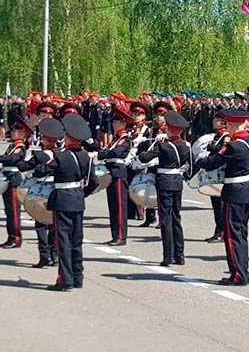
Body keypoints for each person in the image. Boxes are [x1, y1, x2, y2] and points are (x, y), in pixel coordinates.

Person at [197, 107, 249, 286]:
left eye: (227, 123)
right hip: (246, 189)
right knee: (241, 233)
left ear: (234, 124)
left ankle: (238, 274)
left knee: (232, 234)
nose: (225, 125)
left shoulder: (234, 146)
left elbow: (211, 163)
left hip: (233, 191)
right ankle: (242, 270)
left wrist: (198, 159)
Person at [44, 114, 92, 291]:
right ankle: (78, 277)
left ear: (69, 137)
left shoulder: (61, 157)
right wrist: (80, 194)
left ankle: (65, 279)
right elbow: (92, 182)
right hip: (78, 200)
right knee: (76, 241)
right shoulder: (86, 157)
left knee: (62, 241)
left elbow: (41, 171)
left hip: (62, 200)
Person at [138, 110, 192, 266]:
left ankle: (168, 256)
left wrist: (155, 143)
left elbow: (144, 157)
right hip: (177, 182)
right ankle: (180, 255)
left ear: (169, 128)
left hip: (164, 182)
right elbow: (191, 166)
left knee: (165, 220)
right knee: (176, 218)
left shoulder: (163, 146)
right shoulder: (185, 145)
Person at [17, 117, 61, 268]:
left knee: (41, 224)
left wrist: (24, 158)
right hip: (56, 190)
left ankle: (44, 256)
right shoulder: (60, 152)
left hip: (41, 190)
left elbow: (24, 167)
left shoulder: (42, 154)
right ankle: (54, 255)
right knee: (54, 224)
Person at [97, 103, 133, 245]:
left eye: (116, 121)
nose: (113, 123)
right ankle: (114, 234)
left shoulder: (125, 139)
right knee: (112, 205)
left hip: (118, 172)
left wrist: (101, 154)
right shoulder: (116, 139)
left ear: (123, 123)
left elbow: (116, 152)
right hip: (110, 171)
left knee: (119, 205)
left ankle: (120, 236)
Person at [0, 119, 29, 248]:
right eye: (13, 130)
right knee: (8, 210)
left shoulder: (20, 147)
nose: (13, 133)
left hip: (14, 178)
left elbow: (13, 159)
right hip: (7, 177)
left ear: (23, 133)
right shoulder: (12, 145)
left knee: (14, 211)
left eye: (16, 131)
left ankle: (16, 238)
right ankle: (10, 236)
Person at [204, 108, 230, 242]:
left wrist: (214, 148)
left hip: (221, 174)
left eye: (216, 119)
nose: (214, 121)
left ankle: (222, 232)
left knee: (220, 204)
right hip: (215, 173)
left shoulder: (225, 136)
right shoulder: (217, 135)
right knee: (215, 203)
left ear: (223, 122)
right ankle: (218, 230)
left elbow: (224, 152)